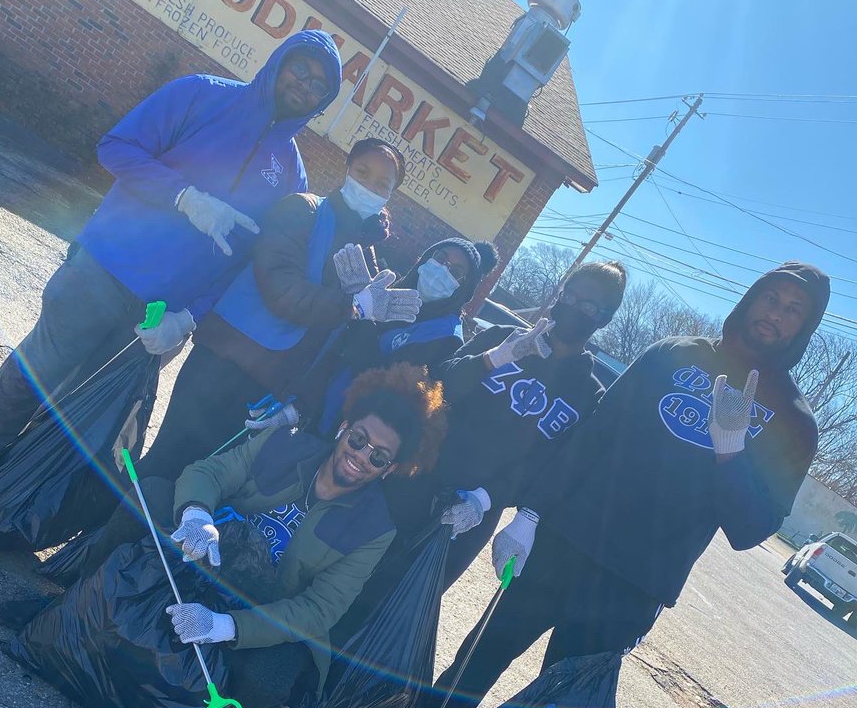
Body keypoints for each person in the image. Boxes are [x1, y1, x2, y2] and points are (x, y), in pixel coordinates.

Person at [348, 261, 829, 708]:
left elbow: (751, 529)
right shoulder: (673, 354)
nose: (775, 314)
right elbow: (591, 435)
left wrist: (732, 453)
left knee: (558, 703)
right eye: (771, 298)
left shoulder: (793, 420)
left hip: (633, 582)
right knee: (484, 650)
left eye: (792, 310)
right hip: (566, 539)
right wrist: (531, 514)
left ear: (804, 326)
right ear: (751, 297)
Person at [0, 30, 343, 542]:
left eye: (320, 85)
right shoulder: (202, 94)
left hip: (159, 315)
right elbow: (116, 146)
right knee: (32, 378)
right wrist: (184, 196)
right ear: (280, 61)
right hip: (102, 269)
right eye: (303, 68)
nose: (307, 83)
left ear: (322, 103)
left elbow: (246, 264)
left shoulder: (289, 173)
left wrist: (188, 319)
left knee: (81, 408)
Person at [160, 363, 447, 708]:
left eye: (378, 456)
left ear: (388, 469)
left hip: (266, 608)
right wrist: (197, 516)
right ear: (344, 428)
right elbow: (209, 472)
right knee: (154, 495)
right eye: (359, 439)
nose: (361, 456)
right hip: (215, 560)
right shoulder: (283, 443)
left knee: (269, 676)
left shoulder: (376, 531)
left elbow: (317, 610)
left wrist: (226, 626)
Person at [134, 138, 418, 482]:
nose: (369, 186)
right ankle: (102, 533)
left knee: (203, 477)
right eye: (363, 172)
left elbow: (335, 341)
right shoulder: (302, 211)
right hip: (226, 363)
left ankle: (143, 535)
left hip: (269, 389)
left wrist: (301, 403)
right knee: (165, 464)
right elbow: (282, 292)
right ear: (347, 170)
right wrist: (355, 306)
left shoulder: (366, 253)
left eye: (382, 184)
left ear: (390, 196)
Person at [430, 260, 626, 585]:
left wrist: (486, 498)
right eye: (570, 296)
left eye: (588, 305)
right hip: (421, 472)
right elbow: (437, 384)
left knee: (411, 606)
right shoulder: (502, 338)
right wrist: (493, 359)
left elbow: (549, 465)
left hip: (473, 511)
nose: (573, 308)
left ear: (603, 318)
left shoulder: (589, 395)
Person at [308, 237, 500, 436]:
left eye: (455, 272)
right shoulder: (395, 293)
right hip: (314, 404)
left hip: (347, 435)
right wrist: (355, 302)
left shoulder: (445, 336)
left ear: (464, 288)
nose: (442, 269)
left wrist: (366, 322)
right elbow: (338, 344)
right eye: (440, 258)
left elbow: (386, 389)